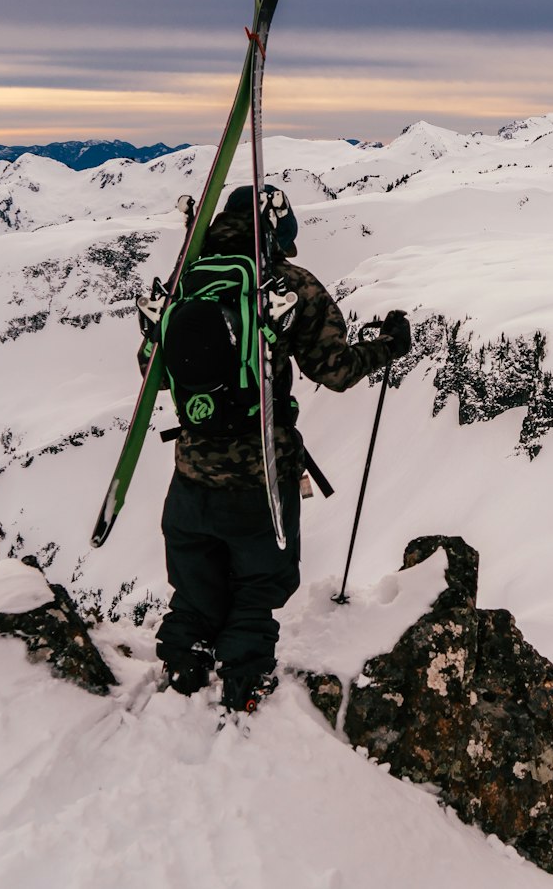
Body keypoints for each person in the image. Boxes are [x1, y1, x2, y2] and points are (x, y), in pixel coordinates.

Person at [150, 184, 412, 711]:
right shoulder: (286, 286)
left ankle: (183, 667)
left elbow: (151, 371)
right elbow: (334, 371)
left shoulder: (187, 283)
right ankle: (244, 687)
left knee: (195, 588)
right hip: (261, 477)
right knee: (258, 585)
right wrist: (389, 345)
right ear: (277, 230)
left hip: (190, 474)